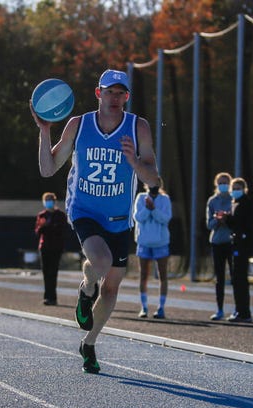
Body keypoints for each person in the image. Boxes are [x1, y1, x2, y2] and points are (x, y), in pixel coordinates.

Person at [32, 69, 161, 373]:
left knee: (113, 288)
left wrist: (133, 162)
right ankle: (86, 286)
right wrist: (45, 130)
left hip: (118, 218)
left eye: (121, 93)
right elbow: (48, 170)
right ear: (98, 93)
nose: (115, 98)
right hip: (84, 209)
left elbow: (153, 178)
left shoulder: (137, 127)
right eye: (109, 92)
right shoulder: (79, 124)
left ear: (127, 97)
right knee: (101, 262)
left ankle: (89, 343)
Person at [133, 176, 172, 319]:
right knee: (143, 275)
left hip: (161, 243)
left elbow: (165, 218)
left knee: (162, 275)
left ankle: (161, 308)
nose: (152, 185)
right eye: (150, 183)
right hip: (144, 242)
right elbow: (138, 217)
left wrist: (154, 209)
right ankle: (144, 307)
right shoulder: (140, 197)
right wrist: (148, 209)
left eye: (155, 183)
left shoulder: (165, 199)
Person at [219, 176, 253, 322]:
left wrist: (228, 219)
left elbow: (243, 223)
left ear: (244, 189)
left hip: (242, 245)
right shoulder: (235, 203)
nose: (235, 191)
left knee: (240, 278)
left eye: (238, 188)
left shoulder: (245, 203)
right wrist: (227, 218)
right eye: (233, 188)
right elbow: (235, 223)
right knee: (236, 278)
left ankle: (244, 312)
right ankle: (239, 309)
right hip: (236, 243)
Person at [205, 172, 234, 320]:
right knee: (220, 278)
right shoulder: (212, 201)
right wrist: (218, 220)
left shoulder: (233, 200)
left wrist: (228, 219)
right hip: (217, 242)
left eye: (226, 182)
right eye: (220, 183)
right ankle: (220, 309)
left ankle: (237, 309)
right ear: (217, 184)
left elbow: (237, 222)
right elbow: (209, 224)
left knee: (235, 277)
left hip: (231, 242)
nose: (223, 185)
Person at [34, 191, 69, 305]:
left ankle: (52, 298)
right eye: (46, 200)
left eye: (50, 200)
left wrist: (49, 227)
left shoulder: (61, 215)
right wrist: (44, 226)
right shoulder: (41, 215)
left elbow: (61, 230)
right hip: (44, 247)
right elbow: (38, 231)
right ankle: (47, 296)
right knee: (45, 272)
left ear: (54, 201)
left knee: (53, 272)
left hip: (56, 247)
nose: (48, 202)